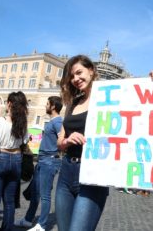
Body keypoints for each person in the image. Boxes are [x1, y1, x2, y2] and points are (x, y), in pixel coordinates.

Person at [55, 55, 109, 231]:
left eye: (79, 73)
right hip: (66, 173)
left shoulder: (110, 98)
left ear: (91, 70)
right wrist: (67, 141)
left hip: (92, 175)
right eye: (72, 76)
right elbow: (59, 143)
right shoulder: (73, 103)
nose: (75, 79)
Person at [15, 96, 63, 231]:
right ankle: (28, 220)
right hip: (42, 160)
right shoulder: (52, 121)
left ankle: (42, 225)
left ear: (53, 106)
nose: (45, 106)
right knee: (35, 193)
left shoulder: (58, 121)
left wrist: (55, 152)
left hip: (49, 161)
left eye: (47, 104)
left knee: (45, 195)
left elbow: (62, 140)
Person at [0, 91, 29, 231]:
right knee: (9, 202)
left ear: (9, 103)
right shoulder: (23, 123)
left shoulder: (0, 121)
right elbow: (24, 144)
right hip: (16, 160)